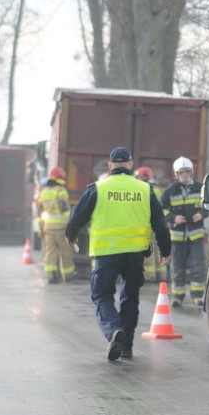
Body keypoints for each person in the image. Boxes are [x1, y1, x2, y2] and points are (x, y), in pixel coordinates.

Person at [66, 147, 172, 361]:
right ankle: (126, 347)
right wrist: (165, 250)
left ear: (110, 165)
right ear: (131, 165)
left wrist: (72, 236)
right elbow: (160, 224)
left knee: (102, 295)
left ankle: (114, 330)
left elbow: (76, 216)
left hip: (107, 253)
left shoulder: (98, 188)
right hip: (135, 254)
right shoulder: (145, 190)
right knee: (130, 298)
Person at [161, 156, 207, 307]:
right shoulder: (169, 192)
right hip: (177, 238)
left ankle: (197, 296)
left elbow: (208, 206)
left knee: (198, 266)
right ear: (177, 174)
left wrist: (201, 214)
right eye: (182, 172)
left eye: (187, 172)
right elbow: (162, 210)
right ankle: (178, 297)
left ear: (191, 172)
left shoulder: (201, 189)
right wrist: (173, 218)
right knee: (177, 267)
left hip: (196, 237)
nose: (185, 175)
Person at [37, 166, 75, 284]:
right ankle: (68, 275)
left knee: (50, 251)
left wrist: (41, 228)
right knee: (66, 251)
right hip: (60, 228)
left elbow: (39, 213)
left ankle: (51, 275)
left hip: (48, 228)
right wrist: (71, 224)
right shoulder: (61, 191)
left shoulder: (44, 192)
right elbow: (65, 210)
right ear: (60, 178)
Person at [134, 166, 167, 282]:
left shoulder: (144, 190)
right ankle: (161, 275)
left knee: (149, 251)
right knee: (158, 249)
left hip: (146, 224)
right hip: (157, 223)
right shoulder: (155, 189)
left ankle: (149, 275)